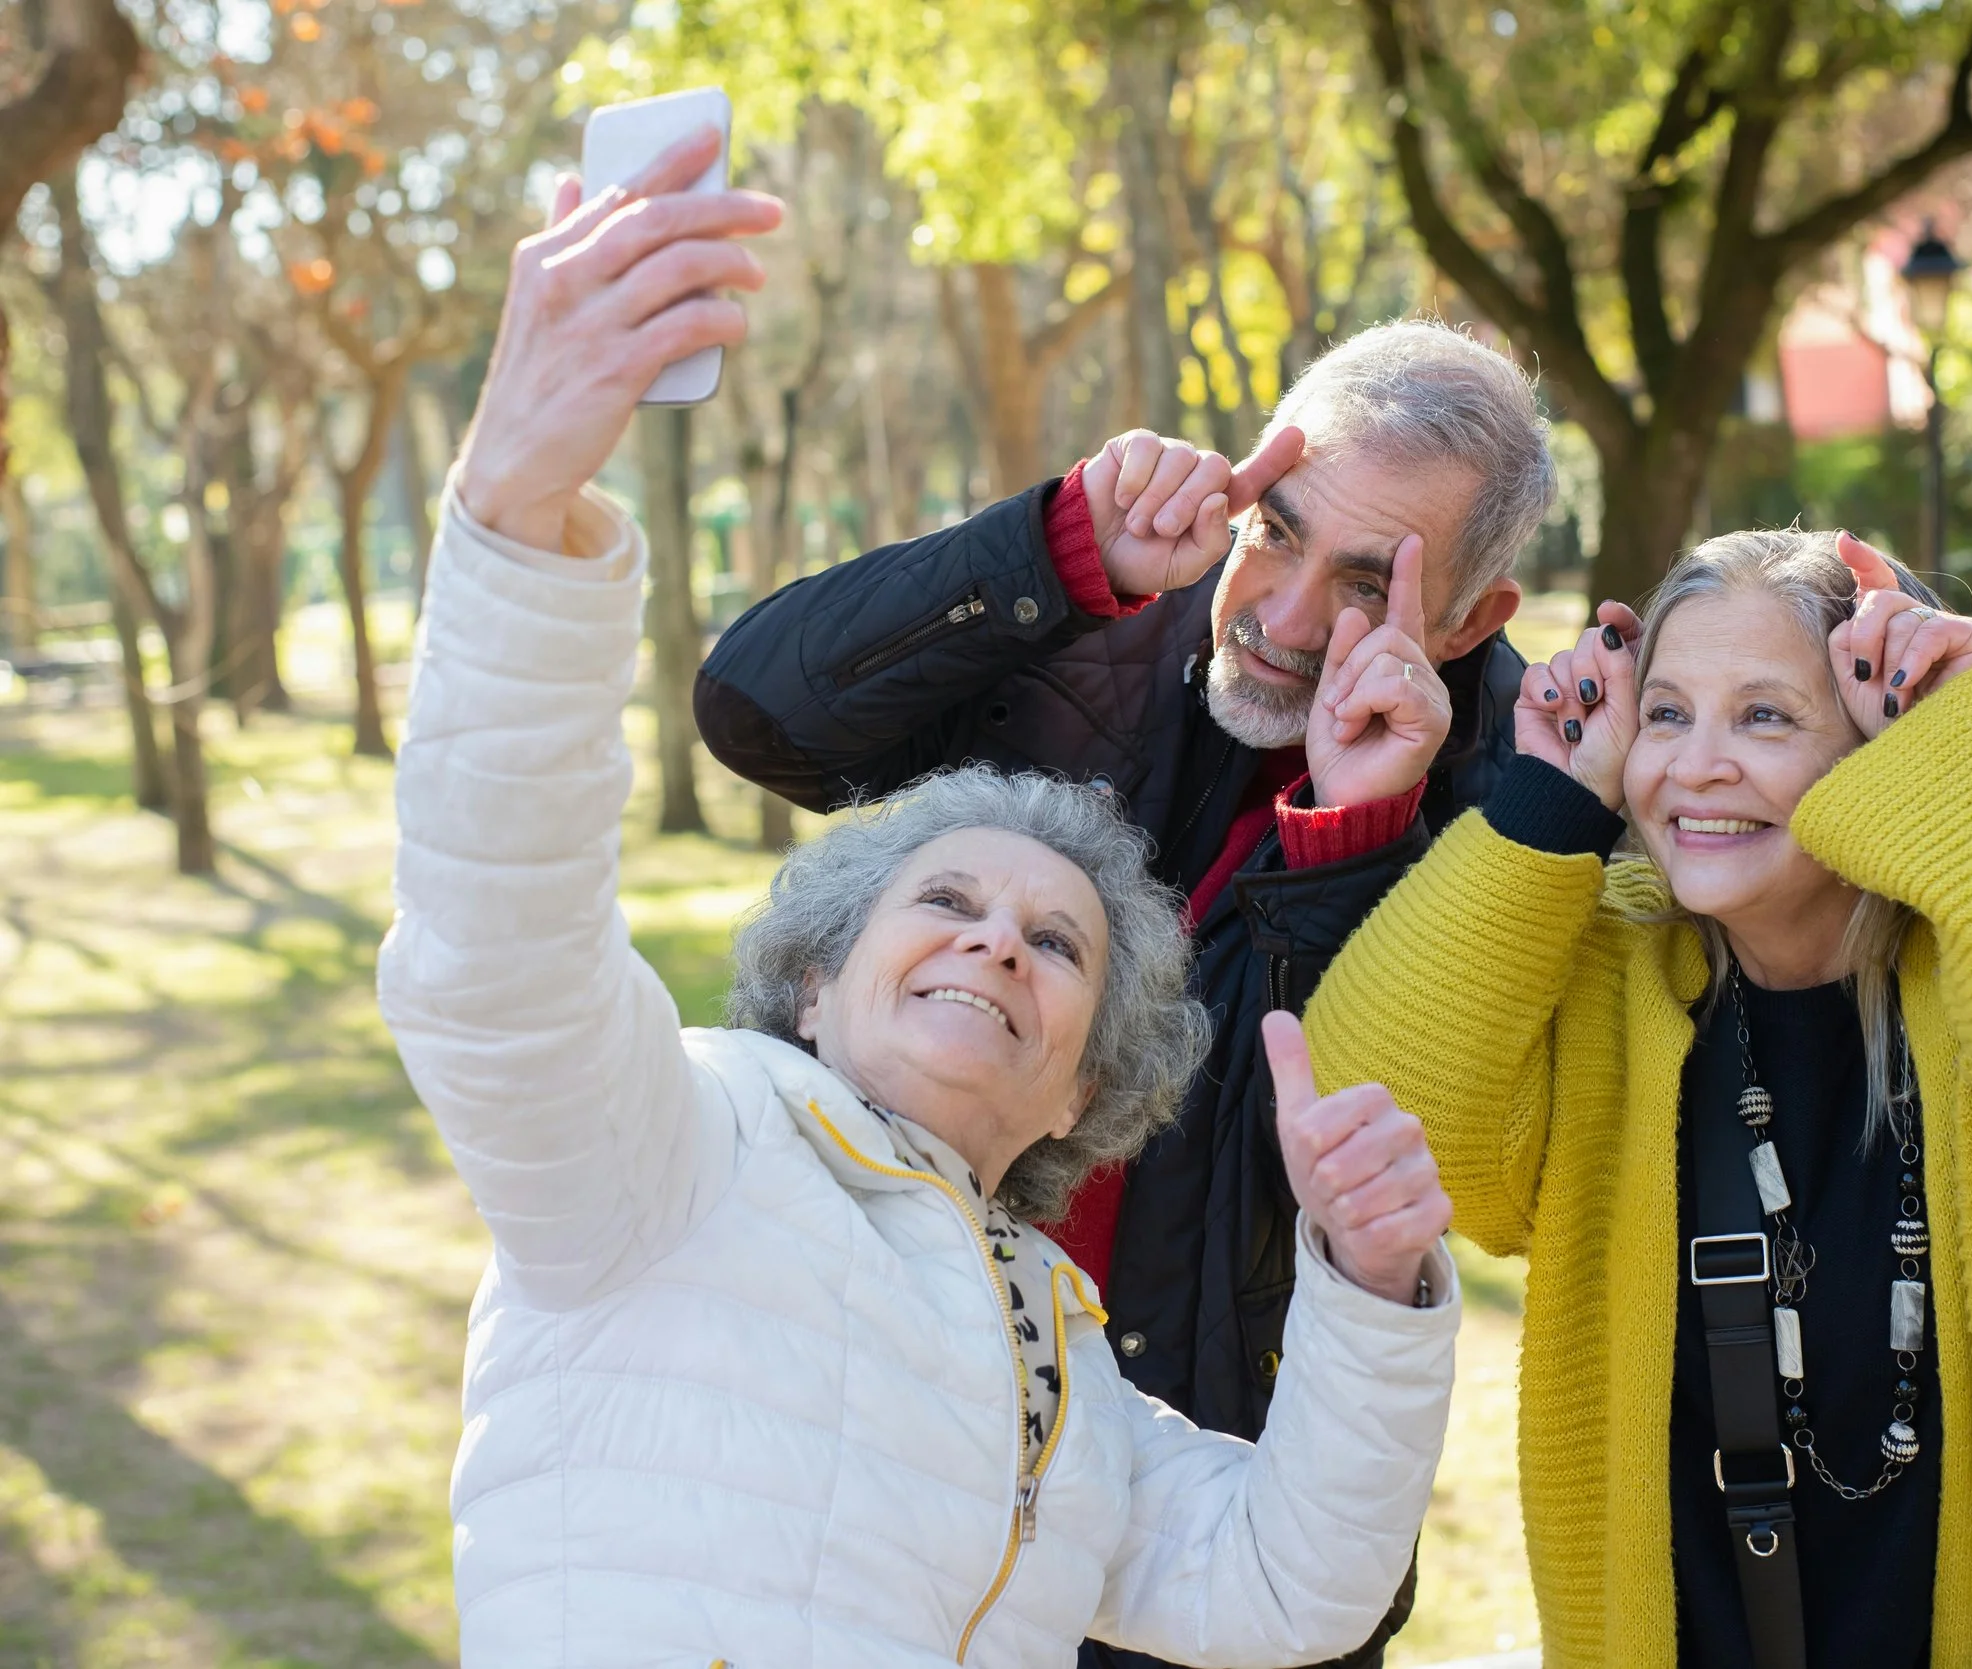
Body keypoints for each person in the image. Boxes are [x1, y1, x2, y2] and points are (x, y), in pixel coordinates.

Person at [382, 129, 1464, 1667]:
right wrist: (513, 507)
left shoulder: (1061, 1363)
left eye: (1056, 943)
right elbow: (493, 957)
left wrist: (1373, 1287)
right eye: (944, 898)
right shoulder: (677, 1154)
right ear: (816, 981)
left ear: (1091, 1081)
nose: (993, 942)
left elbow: (1289, 1585)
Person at [696, 235, 1552, 1668]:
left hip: (1206, 1510)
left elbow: (1341, 1142)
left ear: (1469, 619)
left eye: (1363, 585)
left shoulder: (1511, 799)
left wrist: (1354, 833)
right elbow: (758, 714)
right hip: (898, 1425)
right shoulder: (1104, 620)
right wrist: (1053, 547)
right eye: (1274, 527)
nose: (1280, 619)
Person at [1300, 527, 1972, 1667]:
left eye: (1763, 715)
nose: (1696, 764)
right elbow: (1379, 1113)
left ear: (1875, 748)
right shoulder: (1608, 973)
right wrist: (1549, 801)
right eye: (1666, 714)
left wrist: (1966, 737)